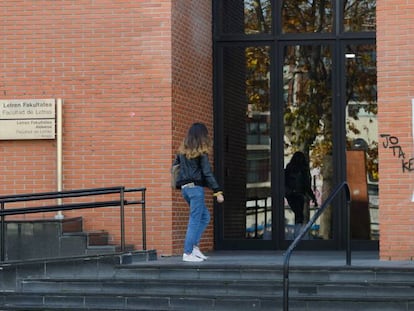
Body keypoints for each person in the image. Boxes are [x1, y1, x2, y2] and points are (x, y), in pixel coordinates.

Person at [173, 122, 224, 262]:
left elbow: (175, 168)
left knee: (205, 217)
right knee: (195, 220)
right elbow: (207, 172)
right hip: (195, 189)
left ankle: (194, 247)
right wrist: (217, 191)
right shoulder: (202, 152)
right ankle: (188, 253)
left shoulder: (182, 151)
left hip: (185, 189)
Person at [284, 151, 317, 238]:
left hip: (297, 194)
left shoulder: (302, 170)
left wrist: (313, 197)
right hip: (292, 194)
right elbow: (285, 181)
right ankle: (297, 234)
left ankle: (297, 234)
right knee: (299, 214)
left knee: (299, 214)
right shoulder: (291, 168)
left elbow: (306, 185)